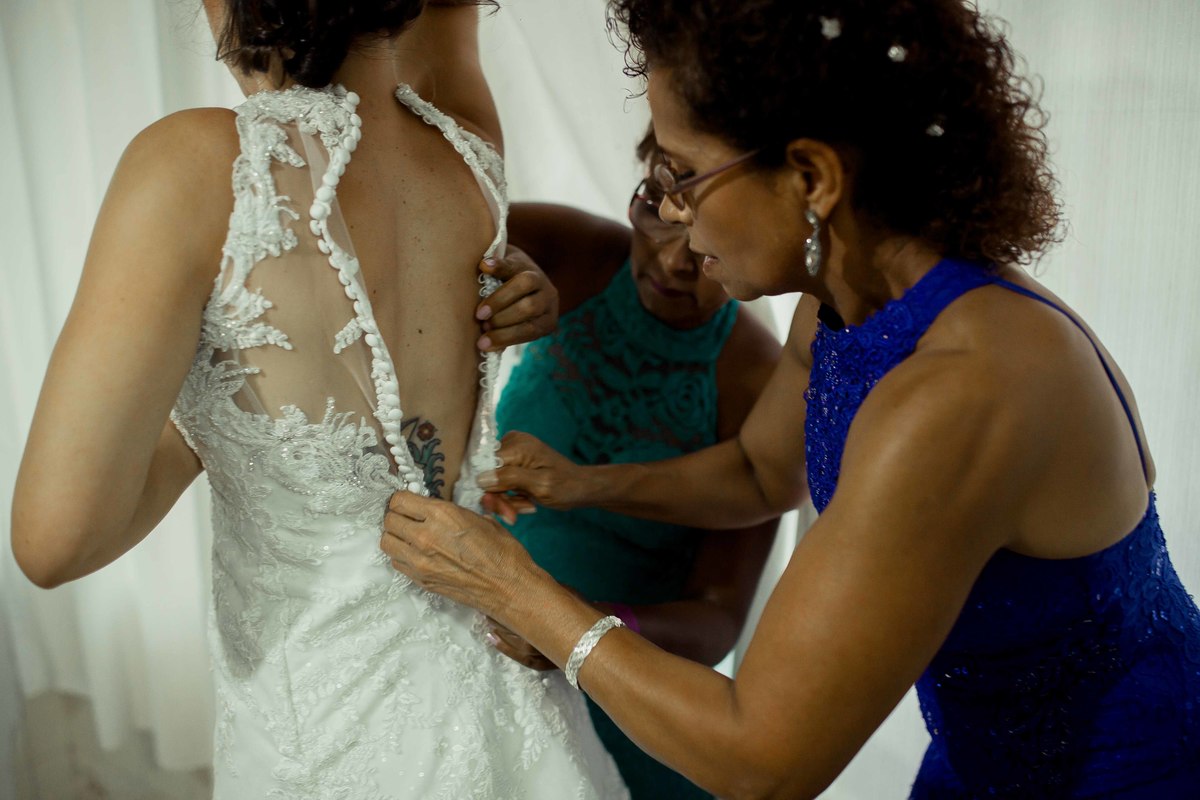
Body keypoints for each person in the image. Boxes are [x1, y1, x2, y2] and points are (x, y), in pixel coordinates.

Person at [380, 1, 1200, 797]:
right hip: (981, 763)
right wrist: (580, 483)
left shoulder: (962, 392)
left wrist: (516, 590)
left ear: (811, 177)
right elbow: (759, 473)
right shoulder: (849, 299)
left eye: (686, 175)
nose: (674, 213)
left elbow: (759, 765)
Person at [10, 2, 628, 797]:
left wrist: (218, 404)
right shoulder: (470, 150)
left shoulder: (191, 169)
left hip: (332, 739)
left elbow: (53, 544)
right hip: (508, 700)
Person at [489, 129, 781, 799]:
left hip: (622, 690)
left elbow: (717, 618)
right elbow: (414, 242)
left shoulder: (757, 383)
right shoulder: (571, 251)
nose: (675, 260)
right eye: (659, 208)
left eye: (707, 243)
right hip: (483, 647)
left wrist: (587, 628)